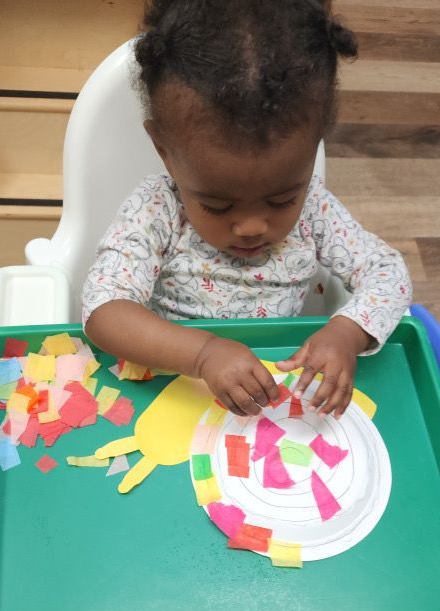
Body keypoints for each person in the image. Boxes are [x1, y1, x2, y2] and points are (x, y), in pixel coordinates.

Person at [83, 0, 411, 419]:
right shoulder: (157, 211)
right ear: (165, 153)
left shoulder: (315, 209)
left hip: (278, 397)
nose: (253, 227)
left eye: (280, 200)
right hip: (175, 388)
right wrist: (202, 355)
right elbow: (104, 309)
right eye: (216, 204)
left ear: (313, 151)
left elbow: (388, 273)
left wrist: (346, 334)